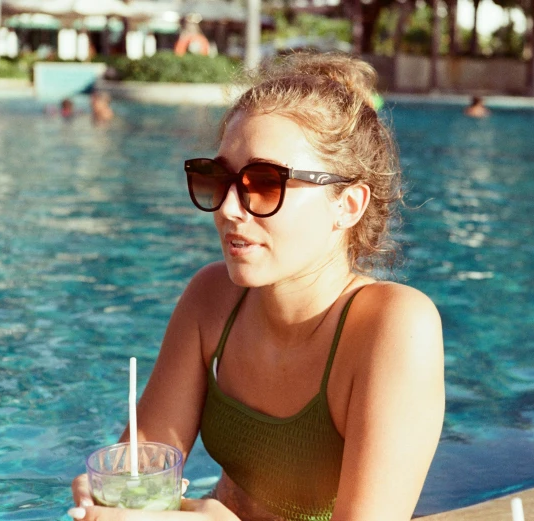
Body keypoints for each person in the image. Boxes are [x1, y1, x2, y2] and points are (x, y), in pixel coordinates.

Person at [69, 52, 445, 521]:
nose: (228, 208)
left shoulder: (393, 328)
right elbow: (145, 460)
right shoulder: (211, 298)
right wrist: (110, 492)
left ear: (347, 204)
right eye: (218, 178)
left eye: (264, 183)